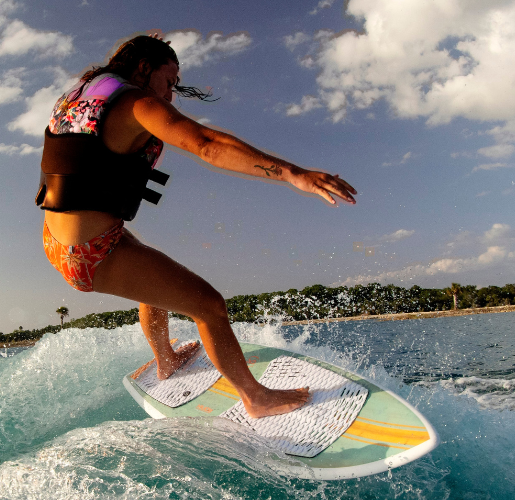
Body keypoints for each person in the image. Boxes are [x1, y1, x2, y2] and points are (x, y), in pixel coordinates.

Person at [37, 34, 358, 418]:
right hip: (90, 252)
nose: (170, 97)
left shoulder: (84, 93)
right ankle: (256, 398)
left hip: (60, 240)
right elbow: (206, 143)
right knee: (210, 306)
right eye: (169, 83)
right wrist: (292, 173)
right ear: (143, 68)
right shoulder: (135, 103)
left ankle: (167, 360)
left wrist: (145, 47)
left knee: (153, 284)